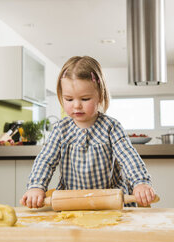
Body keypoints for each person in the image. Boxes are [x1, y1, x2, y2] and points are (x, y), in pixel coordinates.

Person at [20, 56, 155, 209]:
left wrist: (140, 182)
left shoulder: (111, 127)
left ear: (100, 95)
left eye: (85, 99)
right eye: (69, 99)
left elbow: (128, 157)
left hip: (110, 202)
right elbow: (45, 160)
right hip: (71, 203)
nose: (76, 105)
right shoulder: (60, 130)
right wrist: (36, 186)